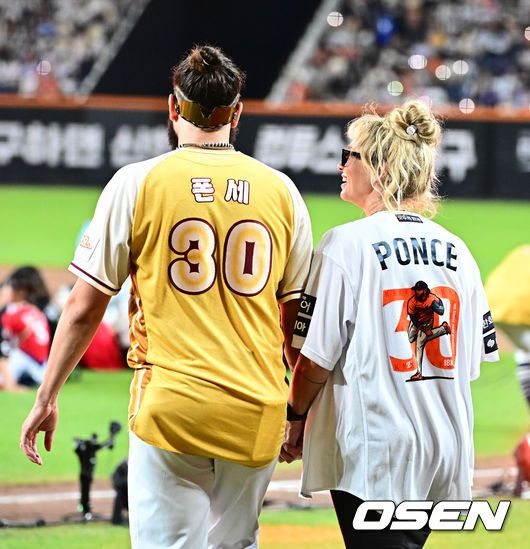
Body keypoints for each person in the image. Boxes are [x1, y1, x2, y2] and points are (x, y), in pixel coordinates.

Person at [20, 44, 312, 549]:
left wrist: (47, 396)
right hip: (257, 409)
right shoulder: (283, 192)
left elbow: (84, 308)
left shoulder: (138, 182)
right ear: (237, 113)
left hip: (173, 408)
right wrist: (299, 411)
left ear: (174, 107)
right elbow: (295, 321)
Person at [280, 100, 499, 548]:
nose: (342, 165)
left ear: (379, 170)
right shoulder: (459, 251)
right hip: (444, 447)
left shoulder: (345, 244)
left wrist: (295, 418)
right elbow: (471, 363)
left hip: (376, 451)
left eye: (351, 155)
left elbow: (314, 360)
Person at [484, 244, 530, 496]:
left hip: (497, 306)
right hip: (523, 308)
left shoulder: (523, 250)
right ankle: (528, 449)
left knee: (527, 351)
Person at [0, 266, 51, 390]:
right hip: (43, 370)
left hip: (23, 364)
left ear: (18, 292)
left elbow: (4, 350)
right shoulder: (34, 310)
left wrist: (10, 385)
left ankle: (10, 382)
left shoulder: (12, 312)